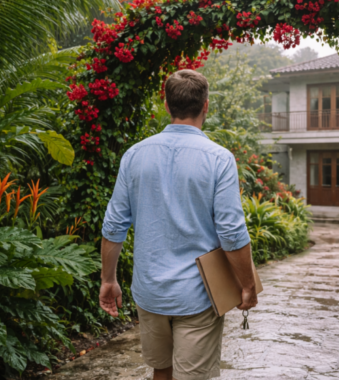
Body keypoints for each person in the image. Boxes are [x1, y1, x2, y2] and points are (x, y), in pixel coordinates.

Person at [99, 69, 258, 380]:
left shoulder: (134, 155)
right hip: (198, 295)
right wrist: (247, 285)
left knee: (162, 369)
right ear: (206, 106)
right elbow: (231, 232)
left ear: (166, 104)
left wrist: (109, 279)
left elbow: (114, 225)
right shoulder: (219, 158)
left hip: (150, 292)